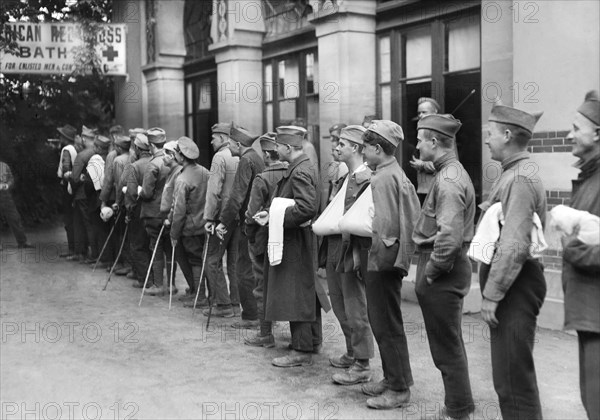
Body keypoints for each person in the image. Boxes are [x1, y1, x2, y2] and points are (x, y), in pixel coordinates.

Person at [479, 103, 546, 419]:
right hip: (515, 283)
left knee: (512, 379)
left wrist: (493, 295)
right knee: (509, 375)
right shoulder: (514, 174)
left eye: (490, 133)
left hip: (515, 286)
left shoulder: (518, 178)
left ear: (507, 135)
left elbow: (514, 244)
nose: (486, 139)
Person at [412, 114, 475, 419]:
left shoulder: (449, 180)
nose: (417, 144)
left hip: (443, 271)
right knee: (448, 342)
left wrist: (430, 273)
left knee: (446, 345)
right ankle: (459, 404)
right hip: (446, 269)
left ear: (434, 142)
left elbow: (448, 240)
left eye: (420, 139)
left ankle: (458, 409)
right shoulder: (448, 172)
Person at [360, 119, 420, 409]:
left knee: (386, 322)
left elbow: (384, 223)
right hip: (387, 256)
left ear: (378, 148)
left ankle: (398, 388)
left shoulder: (383, 177)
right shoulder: (391, 172)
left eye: (365, 147)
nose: (362, 153)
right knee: (383, 321)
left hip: (383, 259)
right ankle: (392, 377)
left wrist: (385, 257)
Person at [255, 126, 327, 367]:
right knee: (306, 290)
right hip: (300, 237)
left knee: (296, 293)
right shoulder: (305, 166)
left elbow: (306, 208)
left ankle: (301, 349)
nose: (275, 150)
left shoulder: (298, 172)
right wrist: (271, 213)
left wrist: (277, 217)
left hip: (295, 240)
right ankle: (312, 341)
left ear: (287, 147)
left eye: (278, 146)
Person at [562, 90, 600, 420]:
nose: (569, 134)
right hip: (590, 313)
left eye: (576, 127)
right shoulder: (589, 176)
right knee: (591, 400)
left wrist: (571, 247)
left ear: (597, 133)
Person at [329, 125, 375, 386]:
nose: (337, 147)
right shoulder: (346, 176)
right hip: (340, 248)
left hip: (355, 252)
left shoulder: (366, 178)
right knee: (340, 304)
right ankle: (352, 351)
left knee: (356, 308)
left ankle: (362, 364)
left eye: (342, 143)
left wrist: (358, 258)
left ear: (356, 148)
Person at [215, 125, 264, 323]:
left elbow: (236, 197)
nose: (228, 147)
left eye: (230, 143)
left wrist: (223, 222)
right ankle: (260, 316)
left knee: (244, 272)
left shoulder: (245, 160)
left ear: (237, 144)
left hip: (249, 223)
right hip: (259, 221)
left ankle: (252, 318)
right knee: (256, 271)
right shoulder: (257, 158)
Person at [244, 132, 288, 347]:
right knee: (285, 283)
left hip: (263, 239)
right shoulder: (291, 173)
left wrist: (249, 234)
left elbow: (252, 213)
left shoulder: (262, 178)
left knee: (261, 285)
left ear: (266, 154)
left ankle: (265, 334)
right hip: (288, 237)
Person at [202, 123, 240, 312]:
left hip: (220, 218)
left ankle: (223, 304)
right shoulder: (239, 156)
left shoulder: (219, 157)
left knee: (212, 260)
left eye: (214, 137)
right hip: (236, 216)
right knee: (234, 262)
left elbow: (213, 190)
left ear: (223, 138)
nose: (211, 141)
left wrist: (209, 217)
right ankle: (235, 302)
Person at [169, 137, 210, 304]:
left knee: (194, 260)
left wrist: (174, 233)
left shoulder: (182, 179)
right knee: (204, 259)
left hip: (191, 228)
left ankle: (199, 296)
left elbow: (179, 211)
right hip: (206, 224)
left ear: (181, 156)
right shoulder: (205, 172)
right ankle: (202, 293)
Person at [139, 128, 173, 296]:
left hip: (153, 213)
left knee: (156, 247)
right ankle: (171, 286)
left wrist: (138, 191)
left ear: (152, 145)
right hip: (169, 213)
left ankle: (159, 285)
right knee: (169, 248)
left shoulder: (153, 164)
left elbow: (146, 192)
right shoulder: (171, 161)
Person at [161, 140, 191, 297]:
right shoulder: (171, 172)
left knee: (181, 256)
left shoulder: (179, 173)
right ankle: (187, 287)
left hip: (177, 221)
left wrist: (171, 220)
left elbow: (177, 202)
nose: (162, 157)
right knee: (176, 255)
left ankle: (193, 288)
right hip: (171, 219)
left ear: (173, 155)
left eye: (165, 154)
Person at [125, 132, 154, 289]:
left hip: (138, 210)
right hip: (156, 210)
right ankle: (156, 279)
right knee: (153, 244)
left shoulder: (135, 166)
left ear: (136, 148)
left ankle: (145, 279)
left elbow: (131, 192)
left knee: (138, 245)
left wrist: (129, 211)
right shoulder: (158, 162)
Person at [70, 125, 98, 262]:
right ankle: (92, 252)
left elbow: (75, 178)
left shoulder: (82, 155)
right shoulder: (99, 152)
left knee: (84, 224)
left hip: (81, 194)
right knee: (92, 223)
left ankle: (89, 253)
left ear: (84, 138)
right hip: (96, 193)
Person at [84, 134, 111, 267]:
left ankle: (102, 258)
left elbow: (89, 184)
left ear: (100, 148)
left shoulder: (95, 161)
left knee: (99, 230)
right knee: (105, 230)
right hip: (107, 199)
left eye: (95, 146)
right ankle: (106, 257)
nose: (93, 148)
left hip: (96, 200)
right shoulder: (110, 159)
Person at [409, 97, 440, 203]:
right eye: (419, 113)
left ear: (435, 112)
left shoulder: (442, 134)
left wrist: (422, 165)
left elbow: (445, 164)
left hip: (435, 189)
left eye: (424, 112)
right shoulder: (422, 131)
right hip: (422, 190)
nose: (421, 115)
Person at [56, 124, 78, 257]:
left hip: (67, 186)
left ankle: (72, 249)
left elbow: (65, 167)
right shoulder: (74, 148)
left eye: (61, 136)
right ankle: (75, 248)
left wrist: (65, 180)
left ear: (65, 138)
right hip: (73, 185)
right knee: (73, 217)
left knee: (68, 218)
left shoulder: (66, 150)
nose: (59, 138)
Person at [0, 160, 32, 249]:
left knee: (15, 218)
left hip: (5, 196)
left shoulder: (4, 165)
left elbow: (11, 179)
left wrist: (7, 185)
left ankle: (22, 242)